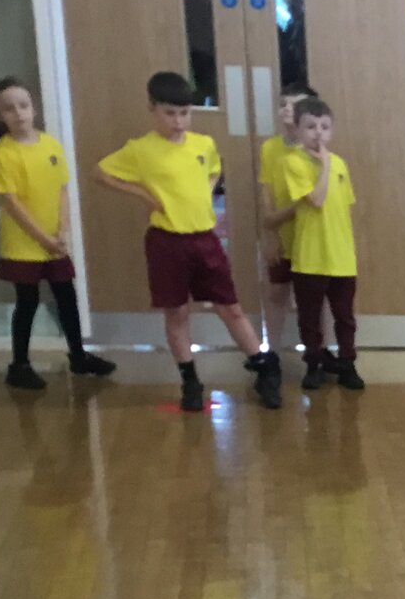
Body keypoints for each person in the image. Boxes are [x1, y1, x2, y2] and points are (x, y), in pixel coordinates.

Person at [93, 71, 283, 412]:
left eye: (185, 113)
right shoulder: (141, 150)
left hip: (205, 240)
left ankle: (262, 367)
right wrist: (143, 195)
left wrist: (207, 191)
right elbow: (101, 173)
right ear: (152, 109)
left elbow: (213, 170)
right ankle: (190, 380)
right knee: (177, 313)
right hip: (167, 242)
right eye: (170, 113)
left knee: (231, 308)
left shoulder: (203, 144)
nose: (179, 121)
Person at [0, 76, 113, 391]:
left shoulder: (51, 145)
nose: (19, 113)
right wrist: (43, 238)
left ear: (34, 108)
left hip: (54, 241)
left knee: (66, 295)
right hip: (24, 243)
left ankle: (79, 356)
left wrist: (62, 230)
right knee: (27, 301)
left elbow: (62, 189)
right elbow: (12, 204)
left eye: (24, 105)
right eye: (9, 108)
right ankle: (19, 365)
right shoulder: (3, 154)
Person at [282, 96, 362, 392]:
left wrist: (330, 162)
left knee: (344, 316)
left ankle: (347, 363)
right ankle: (314, 362)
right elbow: (315, 200)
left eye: (325, 127)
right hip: (310, 256)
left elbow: (345, 207)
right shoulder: (292, 162)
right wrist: (325, 164)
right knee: (310, 316)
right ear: (299, 129)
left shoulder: (341, 163)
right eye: (311, 126)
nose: (318, 133)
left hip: (340, 255)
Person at [257, 82, 318, 354]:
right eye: (283, 104)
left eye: (295, 105)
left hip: (312, 237)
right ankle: (273, 352)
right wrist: (269, 233)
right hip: (281, 236)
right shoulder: (270, 148)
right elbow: (266, 191)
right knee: (276, 293)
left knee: (316, 297)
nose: (286, 109)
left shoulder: (317, 152)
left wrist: (279, 217)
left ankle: (320, 350)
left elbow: (313, 200)